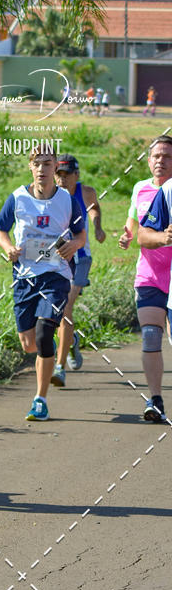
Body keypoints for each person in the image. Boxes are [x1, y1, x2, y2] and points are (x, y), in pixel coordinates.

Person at [0, 146, 86, 421]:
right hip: (24, 276)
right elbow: (1, 228)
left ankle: (40, 399)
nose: (43, 169)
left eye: (48, 164)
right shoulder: (17, 198)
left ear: (53, 168)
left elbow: (81, 234)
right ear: (30, 166)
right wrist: (8, 246)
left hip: (56, 274)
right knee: (29, 344)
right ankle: (66, 343)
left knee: (45, 335)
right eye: (38, 163)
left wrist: (73, 245)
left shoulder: (68, 200)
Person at [119, 135, 172, 423]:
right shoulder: (141, 189)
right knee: (151, 335)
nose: (161, 161)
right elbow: (135, 224)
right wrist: (128, 235)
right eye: (156, 156)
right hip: (150, 274)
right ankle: (156, 400)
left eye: (167, 156)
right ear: (149, 160)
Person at [52, 153, 106, 386]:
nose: (62, 180)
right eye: (58, 175)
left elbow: (94, 208)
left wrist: (97, 226)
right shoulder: (48, 194)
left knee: (65, 309)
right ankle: (71, 342)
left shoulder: (87, 192)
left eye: (66, 175)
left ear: (77, 175)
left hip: (81, 257)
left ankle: (59, 368)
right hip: (54, 258)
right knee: (58, 312)